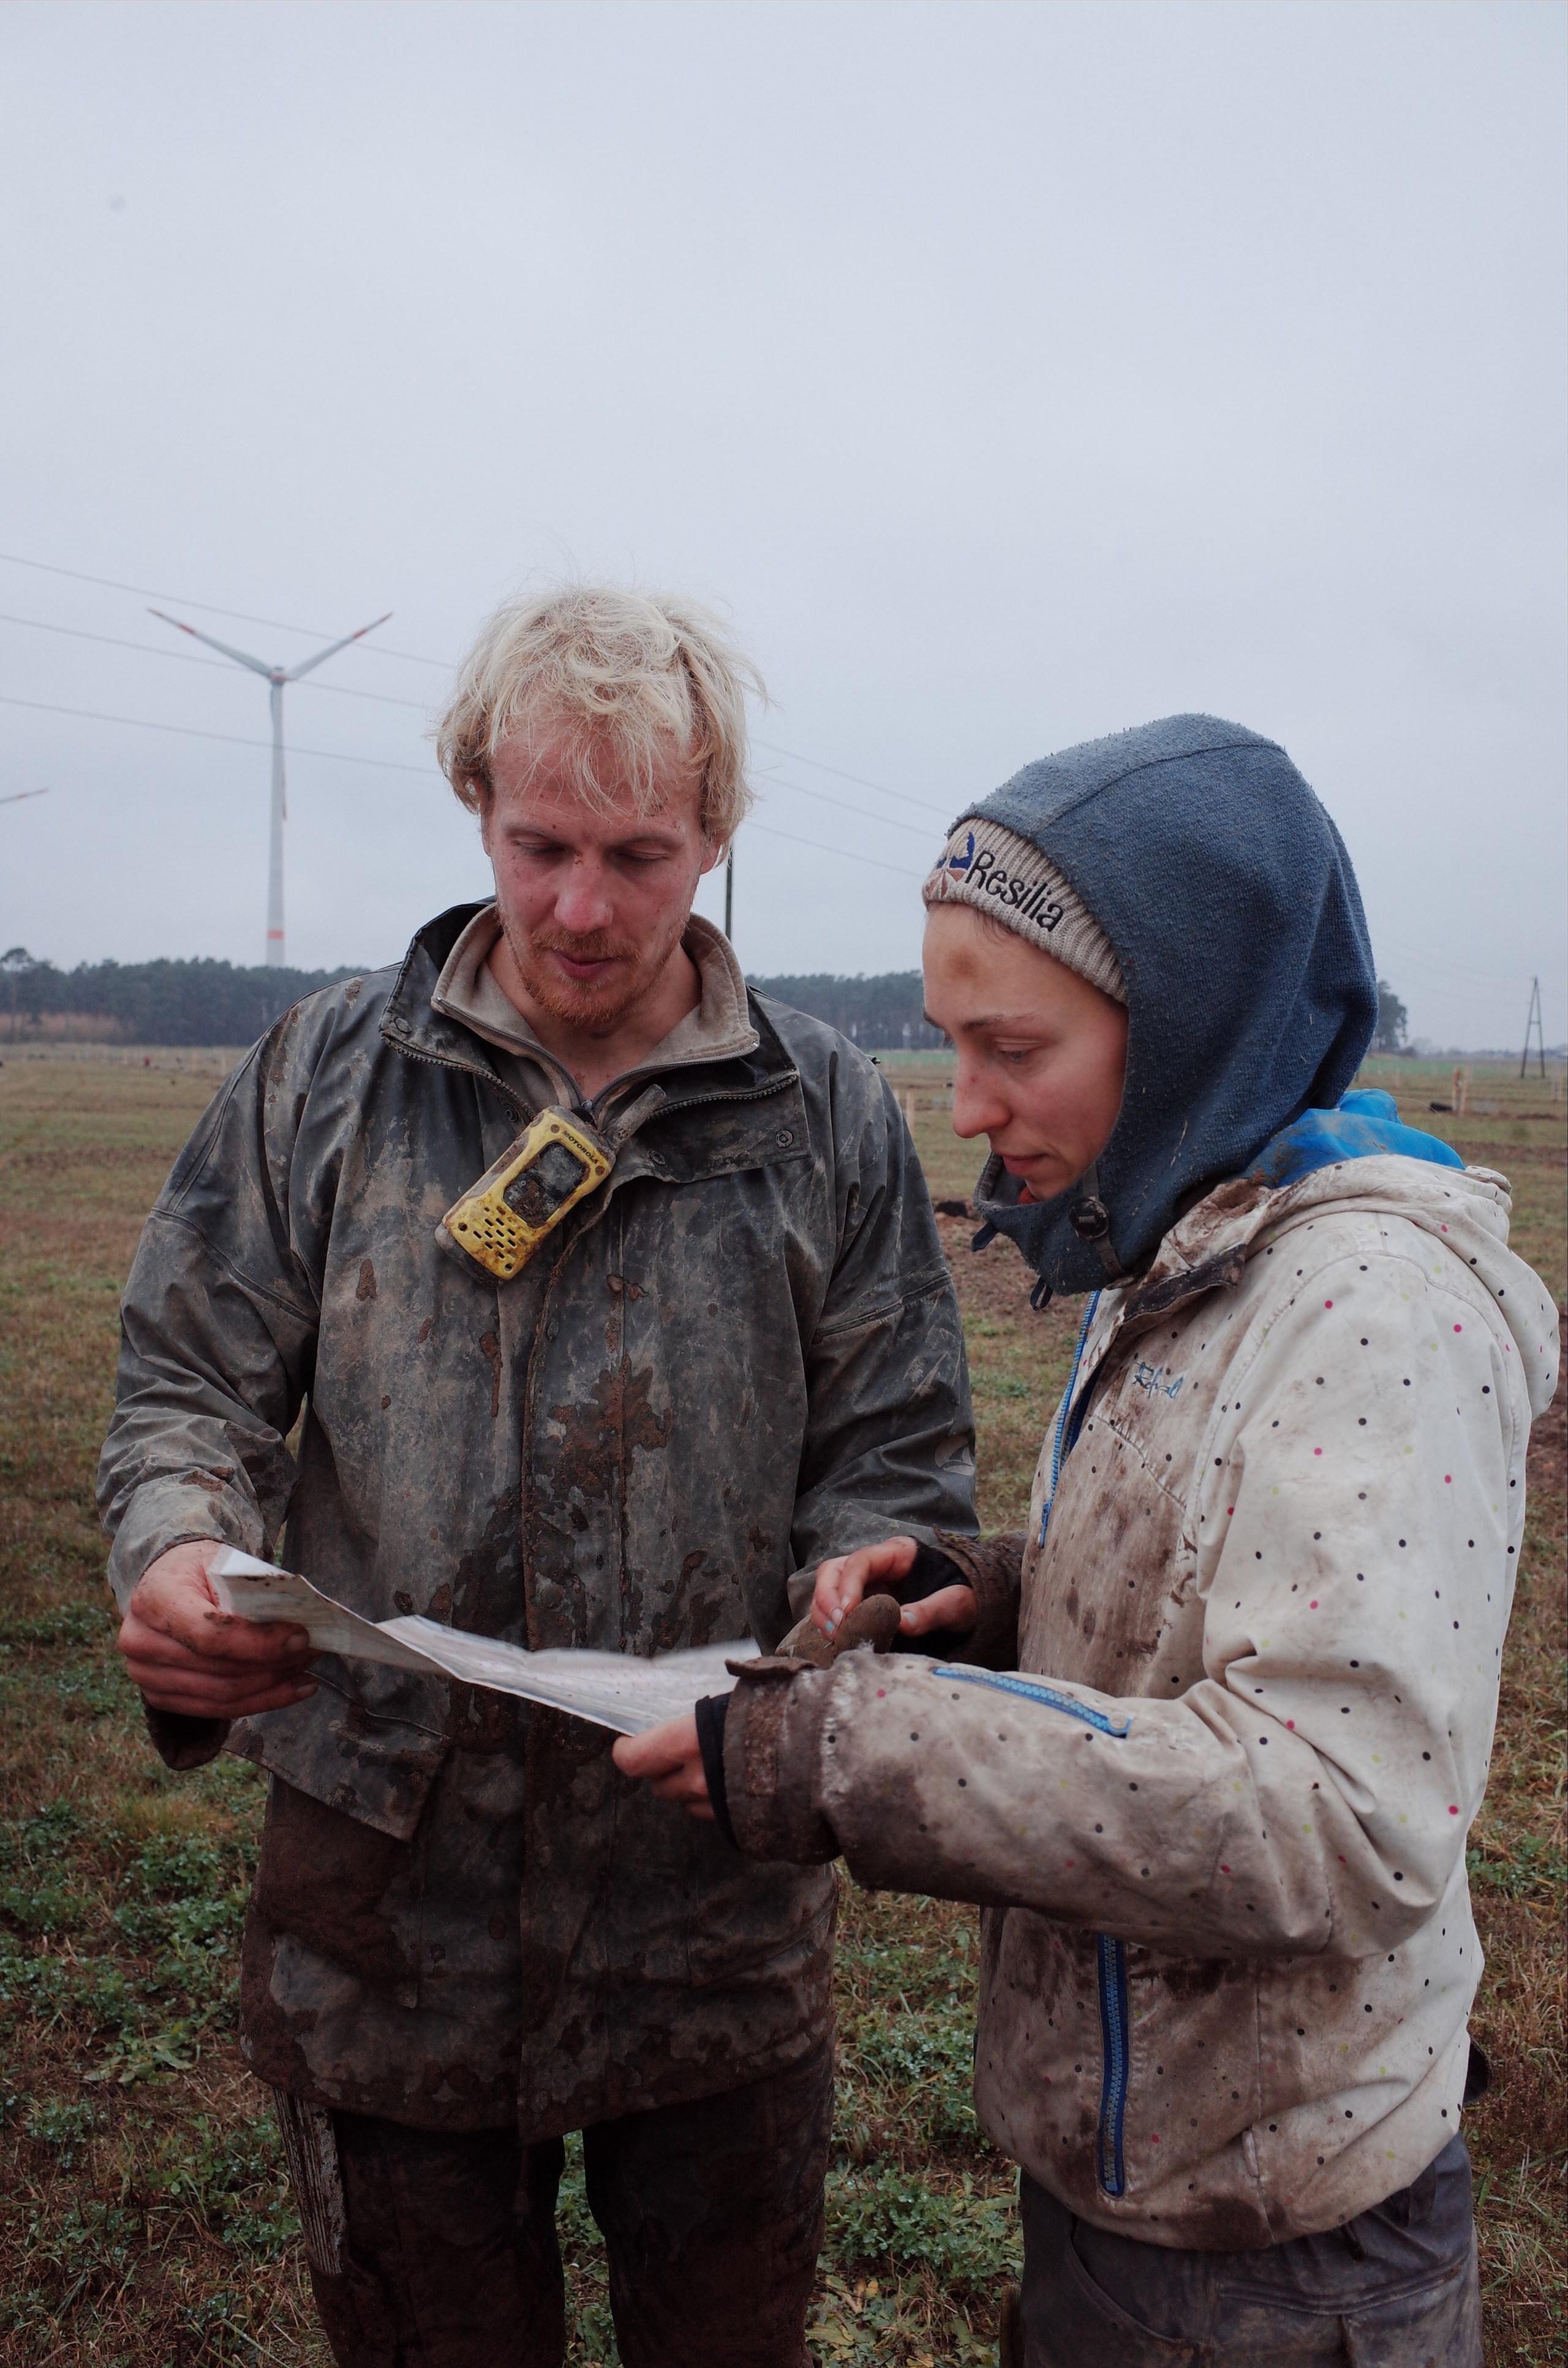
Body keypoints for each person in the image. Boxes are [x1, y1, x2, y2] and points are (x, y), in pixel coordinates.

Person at [99, 584, 978, 2368]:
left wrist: (860, 1588)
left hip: (714, 1921)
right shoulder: (324, 1079)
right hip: (385, 1933)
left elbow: (896, 1453)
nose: (583, 906)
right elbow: (188, 1380)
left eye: (642, 852)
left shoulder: (827, 1117)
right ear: (475, 804)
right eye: (541, 842)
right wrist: (181, 1549)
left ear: (718, 830)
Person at [616, 714, 1560, 2368]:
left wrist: (860, 1751)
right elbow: (1214, 1587)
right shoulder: (1184, 1240)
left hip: (1284, 2259)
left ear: (1191, 1029)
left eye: (1015, 1046)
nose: (966, 1104)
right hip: (1145, 2191)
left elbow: (1337, 1813)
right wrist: (991, 1591)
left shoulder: (1368, 1307)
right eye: (947, 1041)